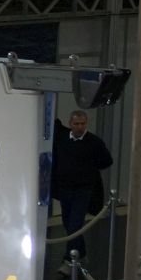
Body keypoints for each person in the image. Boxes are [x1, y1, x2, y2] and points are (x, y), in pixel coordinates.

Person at [51, 110, 113, 270]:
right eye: (76, 124)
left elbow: (107, 161)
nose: (80, 127)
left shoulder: (94, 142)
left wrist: (89, 170)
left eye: (83, 124)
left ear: (86, 124)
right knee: (68, 224)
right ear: (70, 124)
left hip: (83, 191)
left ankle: (69, 261)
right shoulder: (62, 138)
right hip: (65, 189)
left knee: (74, 226)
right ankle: (82, 253)